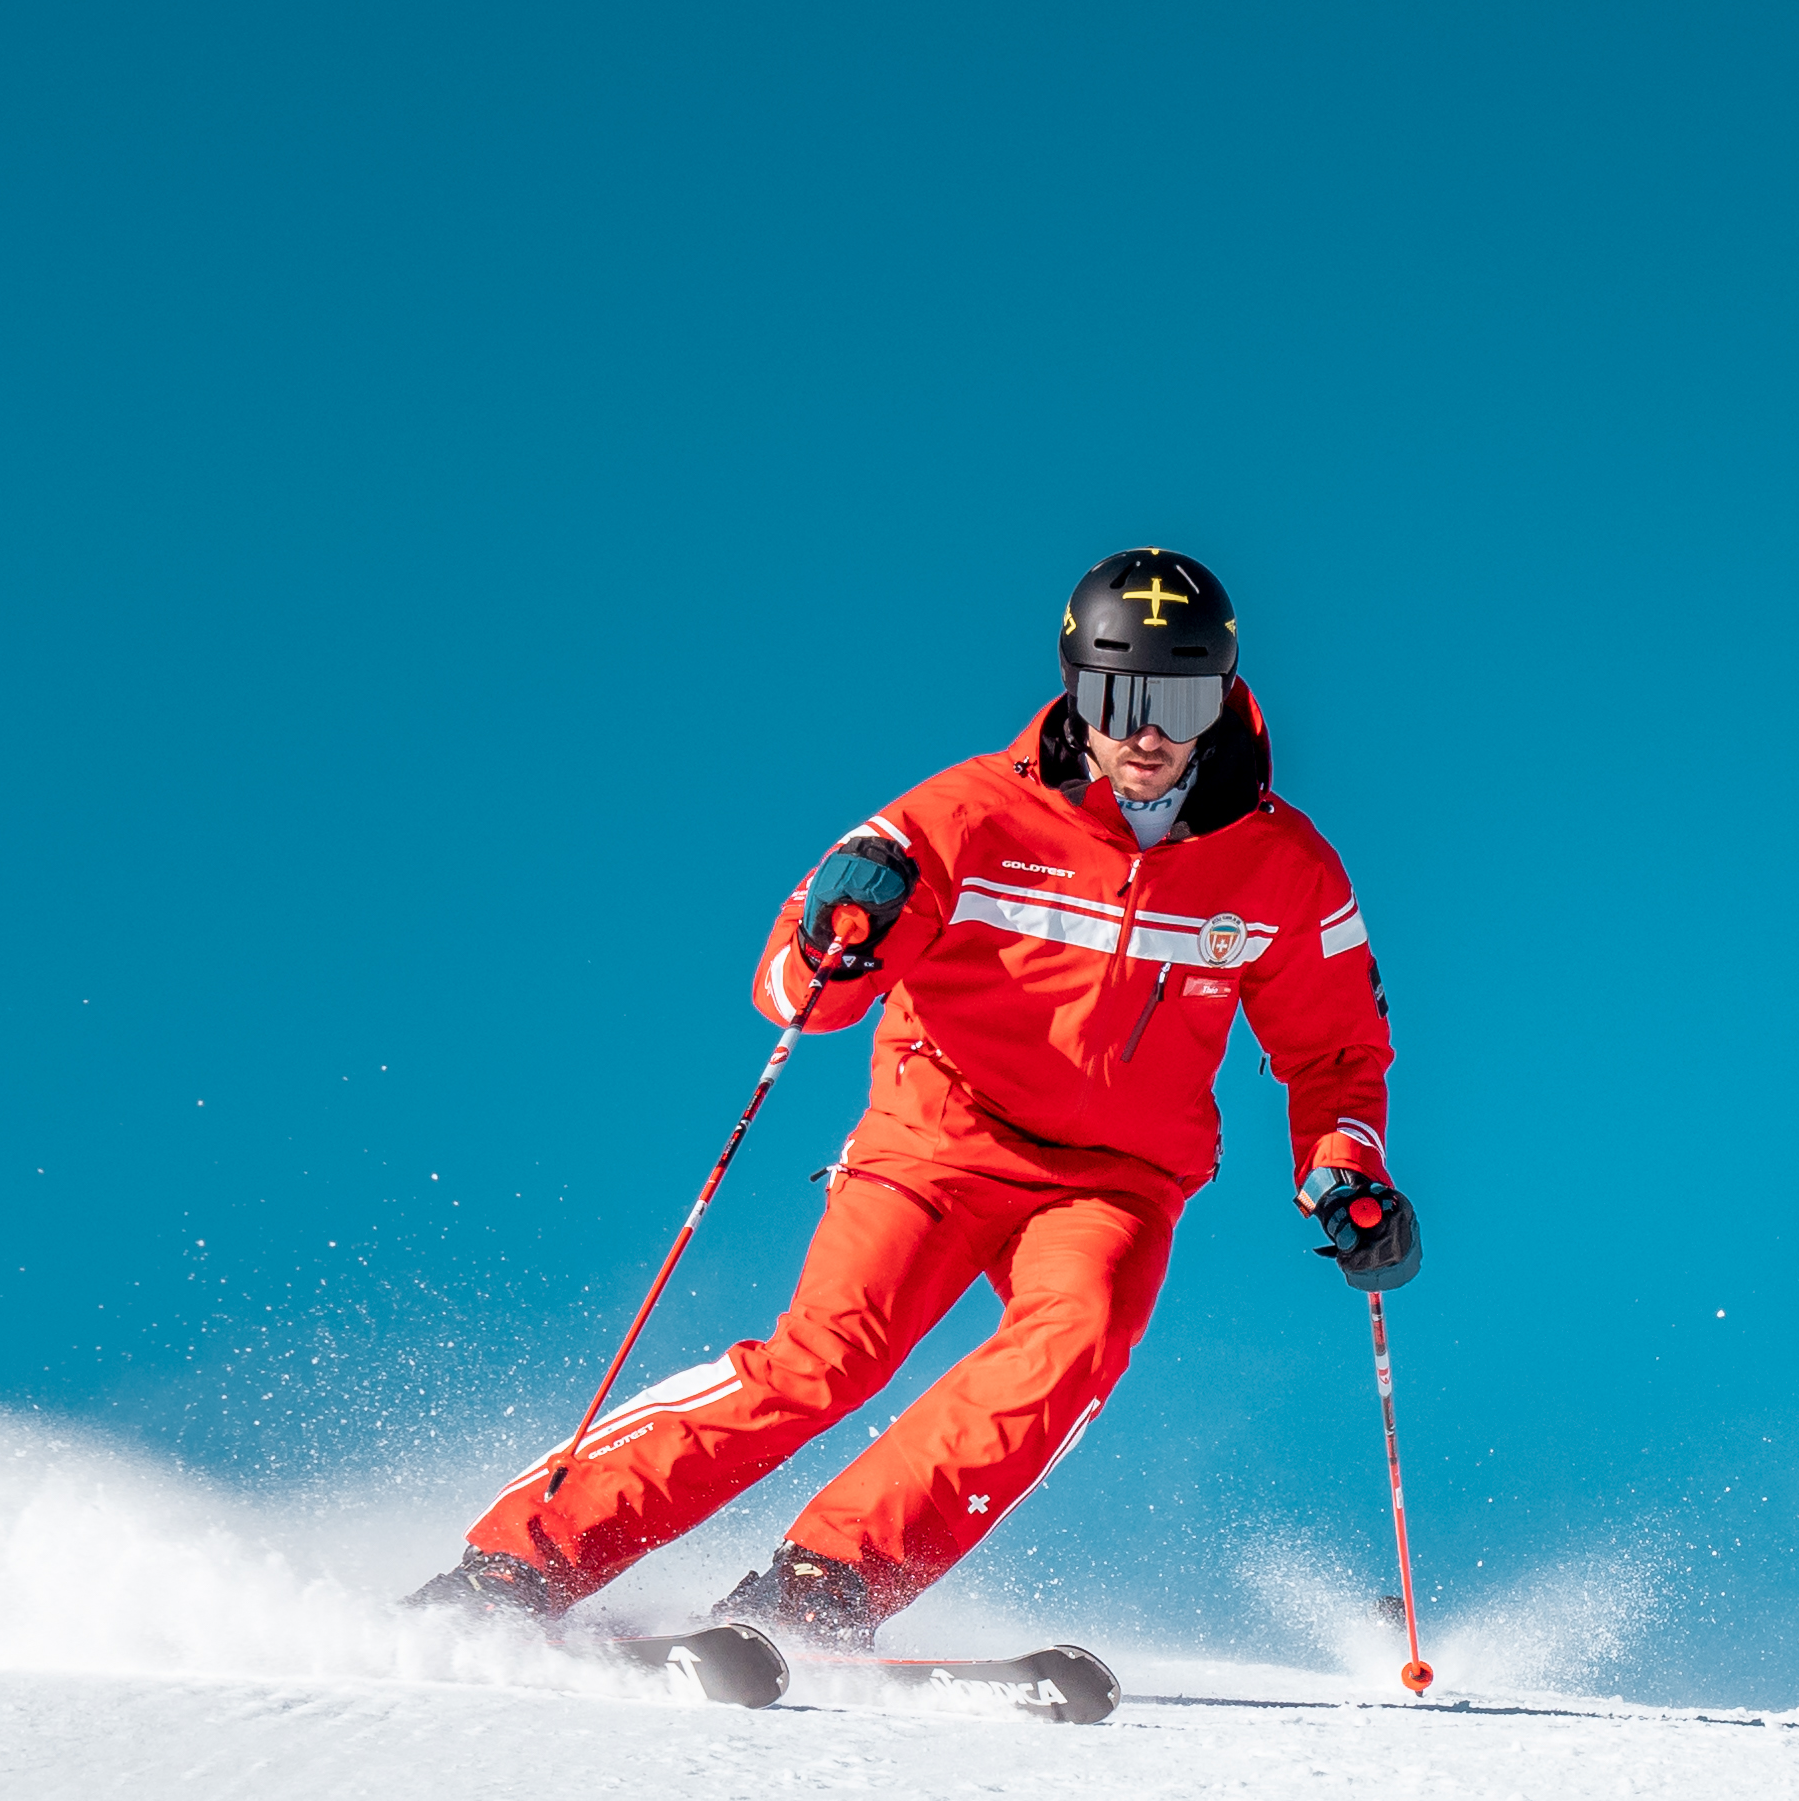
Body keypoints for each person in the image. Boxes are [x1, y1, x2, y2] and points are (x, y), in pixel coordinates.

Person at [416, 547, 1419, 1643]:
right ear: (1075, 689)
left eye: (1176, 698)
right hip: (939, 1138)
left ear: (1221, 697)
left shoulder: (1281, 866)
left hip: (1116, 1179)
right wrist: (835, 932)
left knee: (1075, 1342)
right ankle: (520, 1562)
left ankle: (826, 1579)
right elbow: (792, 990)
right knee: (828, 1361)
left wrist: (1348, 1166)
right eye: (1116, 693)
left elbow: (1334, 1049)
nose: (1145, 731)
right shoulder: (968, 815)